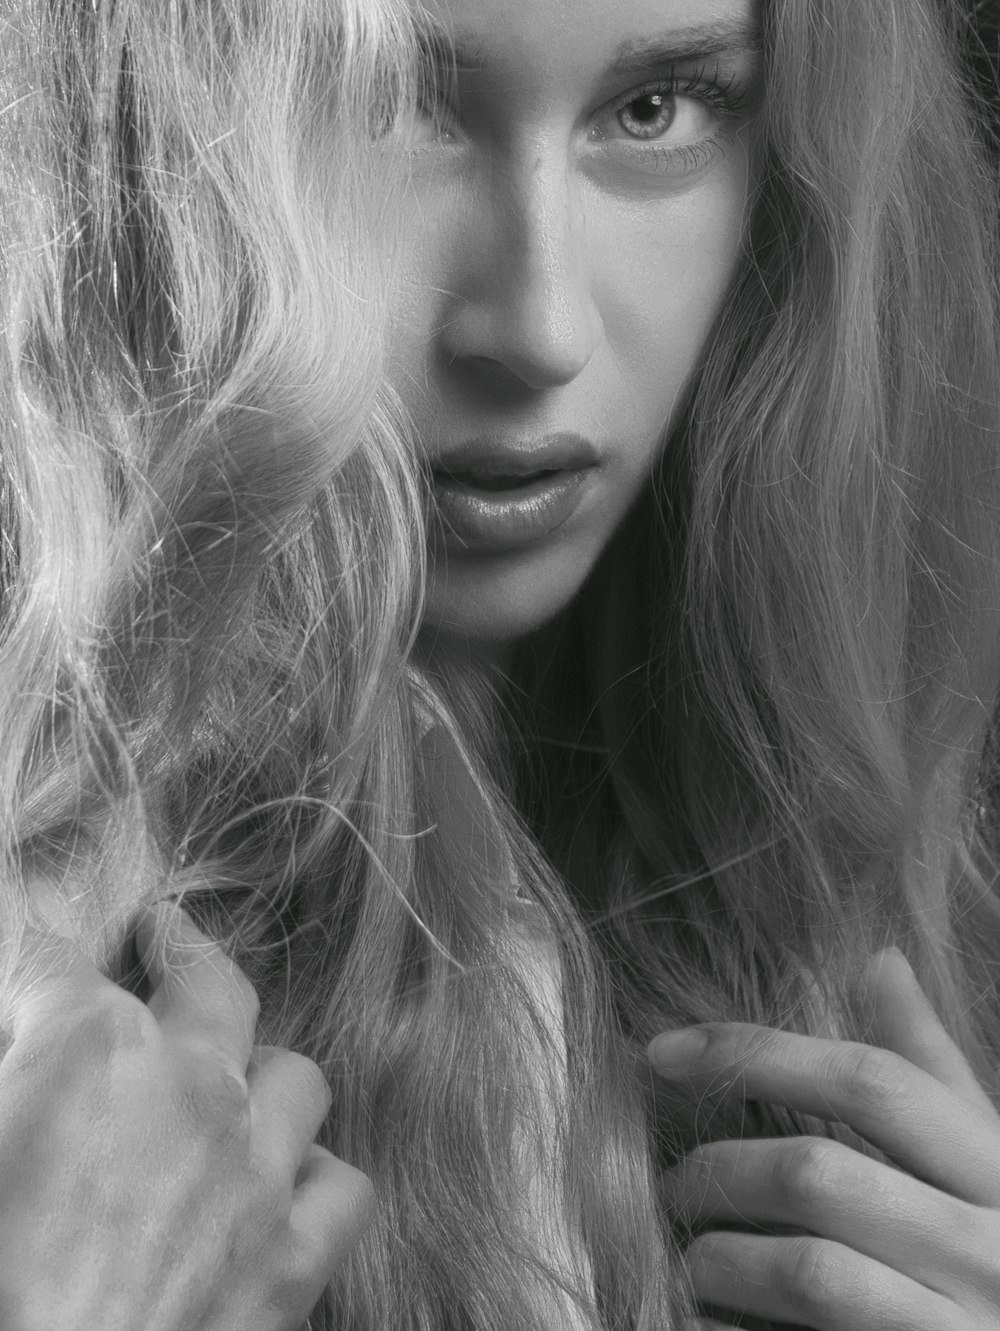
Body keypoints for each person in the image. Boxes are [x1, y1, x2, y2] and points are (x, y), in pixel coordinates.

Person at [1, 0, 1000, 1329]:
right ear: (115, 137)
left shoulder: (895, 892)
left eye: (656, 107)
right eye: (387, 101)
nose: (538, 326)